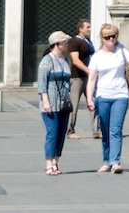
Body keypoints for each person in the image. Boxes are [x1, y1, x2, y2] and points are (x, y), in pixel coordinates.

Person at [87, 22, 129, 173]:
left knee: (115, 130)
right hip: (103, 96)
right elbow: (91, 80)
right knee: (105, 130)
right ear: (101, 38)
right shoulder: (96, 57)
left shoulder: (121, 51)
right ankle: (107, 161)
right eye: (107, 37)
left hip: (120, 95)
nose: (111, 39)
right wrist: (90, 99)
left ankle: (116, 161)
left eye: (113, 36)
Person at [37, 31, 76, 176]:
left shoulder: (65, 61)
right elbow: (42, 85)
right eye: (65, 42)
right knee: (52, 133)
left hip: (64, 104)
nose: (67, 45)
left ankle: (56, 162)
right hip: (51, 104)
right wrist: (46, 102)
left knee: (60, 134)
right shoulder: (47, 61)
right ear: (58, 44)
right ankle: (48, 163)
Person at [66, 19, 96, 138]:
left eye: (89, 27)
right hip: (77, 77)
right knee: (74, 104)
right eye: (87, 27)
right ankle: (70, 130)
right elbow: (75, 60)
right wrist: (88, 70)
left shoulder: (88, 41)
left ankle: (96, 130)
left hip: (89, 78)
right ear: (80, 29)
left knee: (93, 103)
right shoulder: (74, 41)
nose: (89, 29)